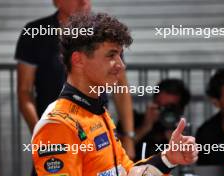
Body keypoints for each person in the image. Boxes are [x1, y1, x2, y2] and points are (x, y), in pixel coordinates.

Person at [31, 12, 198, 175]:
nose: (121, 65)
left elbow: (127, 171)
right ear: (78, 60)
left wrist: (168, 159)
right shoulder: (59, 125)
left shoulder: (98, 112)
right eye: (111, 55)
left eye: (120, 55)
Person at [15, 0, 135, 159]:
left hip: (96, 128)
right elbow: (24, 91)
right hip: (57, 128)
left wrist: (128, 135)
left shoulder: (102, 32)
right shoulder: (36, 32)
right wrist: (41, 133)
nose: (83, 1)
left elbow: (121, 86)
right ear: (57, 2)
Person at [120, 79, 191, 161]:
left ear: (181, 109)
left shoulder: (184, 129)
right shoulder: (131, 121)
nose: (164, 111)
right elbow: (117, 153)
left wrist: (175, 141)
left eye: (170, 107)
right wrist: (144, 127)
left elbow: (188, 163)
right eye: (159, 105)